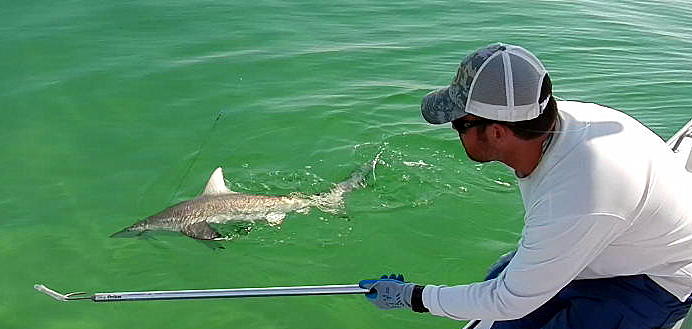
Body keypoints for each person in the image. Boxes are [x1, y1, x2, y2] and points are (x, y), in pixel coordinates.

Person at [359, 43, 692, 329]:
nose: (454, 131)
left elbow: (509, 301)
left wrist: (415, 298)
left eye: (460, 123)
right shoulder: (555, 132)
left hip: (657, 279)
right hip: (608, 243)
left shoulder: (578, 194)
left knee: (502, 296)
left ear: (498, 132)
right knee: (497, 280)